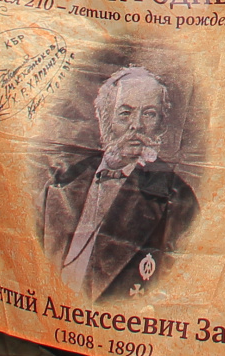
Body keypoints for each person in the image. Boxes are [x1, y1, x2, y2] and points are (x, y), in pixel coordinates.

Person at [37, 64, 201, 301]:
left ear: (161, 124)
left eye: (149, 114)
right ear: (105, 119)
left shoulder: (177, 199)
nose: (137, 125)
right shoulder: (63, 182)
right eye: (125, 113)